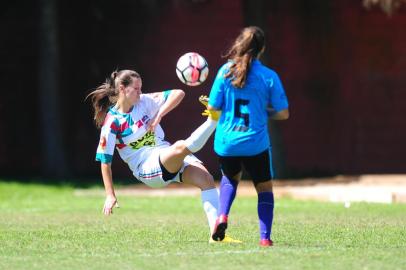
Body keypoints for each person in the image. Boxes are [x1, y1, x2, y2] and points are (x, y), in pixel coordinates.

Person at [86, 69, 240, 243]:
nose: (140, 92)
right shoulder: (112, 122)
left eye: (141, 88)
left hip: (163, 152)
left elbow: (178, 93)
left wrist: (159, 115)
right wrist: (110, 195)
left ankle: (217, 236)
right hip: (145, 166)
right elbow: (105, 161)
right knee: (180, 147)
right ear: (122, 88)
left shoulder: (144, 101)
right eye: (136, 88)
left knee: (206, 179)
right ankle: (213, 120)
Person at [206, 26, 289, 247]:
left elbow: (213, 106)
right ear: (262, 49)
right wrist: (264, 111)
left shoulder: (225, 72)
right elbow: (283, 113)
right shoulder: (269, 76)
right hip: (255, 143)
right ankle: (265, 238)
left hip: (228, 143)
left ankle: (222, 216)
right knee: (264, 189)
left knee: (230, 179)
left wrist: (220, 108)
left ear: (238, 44)